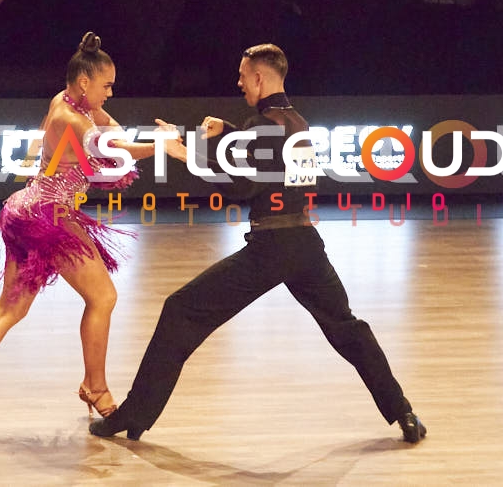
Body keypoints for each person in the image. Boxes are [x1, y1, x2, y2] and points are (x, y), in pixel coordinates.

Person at [89, 43, 426, 444]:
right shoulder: (296, 121)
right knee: (348, 329)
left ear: (259, 78)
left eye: (243, 75)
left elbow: (241, 187)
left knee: (181, 310)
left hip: (272, 247)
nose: (239, 82)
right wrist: (230, 132)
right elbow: (273, 160)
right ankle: (404, 412)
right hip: (306, 245)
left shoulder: (261, 125)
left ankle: (134, 414)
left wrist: (182, 153)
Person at [0, 32, 170, 430]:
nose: (110, 93)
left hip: (25, 209)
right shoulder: (71, 119)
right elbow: (118, 151)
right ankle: (95, 387)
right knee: (103, 296)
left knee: (11, 308)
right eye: (107, 85)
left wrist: (151, 138)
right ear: (84, 82)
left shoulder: (66, 101)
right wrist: (162, 145)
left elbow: (114, 133)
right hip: (48, 217)